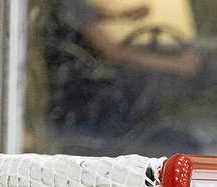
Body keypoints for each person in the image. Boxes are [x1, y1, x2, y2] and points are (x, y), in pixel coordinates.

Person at [41, 0, 202, 155]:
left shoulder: (65, 4)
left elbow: (82, 15)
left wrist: (122, 15)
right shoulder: (67, 2)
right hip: (81, 99)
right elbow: (114, 54)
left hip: (74, 93)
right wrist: (176, 64)